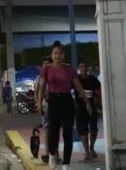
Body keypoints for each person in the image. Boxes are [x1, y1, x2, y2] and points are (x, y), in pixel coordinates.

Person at [36, 42, 93, 170]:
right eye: (55, 53)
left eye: (60, 53)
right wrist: (39, 103)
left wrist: (86, 101)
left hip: (67, 100)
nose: (58, 56)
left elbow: (78, 86)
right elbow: (42, 87)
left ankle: (66, 162)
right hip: (53, 100)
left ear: (64, 55)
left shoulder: (69, 69)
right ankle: (52, 154)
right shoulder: (47, 69)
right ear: (51, 55)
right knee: (53, 131)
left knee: (68, 133)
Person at [76, 58, 102, 161]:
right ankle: (87, 152)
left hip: (92, 108)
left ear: (88, 68)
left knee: (93, 129)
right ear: (78, 68)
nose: (83, 68)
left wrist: (96, 103)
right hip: (80, 109)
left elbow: (99, 92)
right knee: (83, 131)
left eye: (85, 66)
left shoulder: (93, 79)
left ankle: (91, 148)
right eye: (81, 67)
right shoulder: (76, 80)